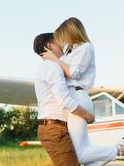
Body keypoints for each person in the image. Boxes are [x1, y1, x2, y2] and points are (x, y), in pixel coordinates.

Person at [42, 18, 124, 165]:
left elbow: (73, 73)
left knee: (80, 155)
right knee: (85, 153)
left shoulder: (86, 47)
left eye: (62, 36)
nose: (60, 41)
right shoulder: (69, 52)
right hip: (73, 97)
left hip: (78, 95)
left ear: (70, 32)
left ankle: (122, 149)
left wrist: (54, 59)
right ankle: (121, 149)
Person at [33, 33, 95, 166]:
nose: (63, 45)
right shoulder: (52, 67)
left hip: (55, 128)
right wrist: (87, 115)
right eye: (59, 42)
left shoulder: (49, 66)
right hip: (55, 129)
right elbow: (64, 100)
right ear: (50, 45)